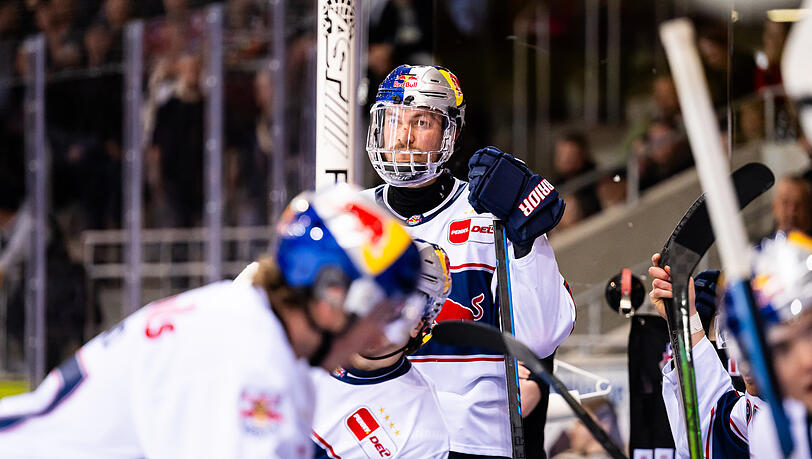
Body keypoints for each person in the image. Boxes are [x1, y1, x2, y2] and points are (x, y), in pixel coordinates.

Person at [0, 184, 423, 458]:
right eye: (381, 315)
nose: (381, 334)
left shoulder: (250, 328)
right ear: (333, 298)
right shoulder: (250, 357)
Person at [364, 64, 577, 458]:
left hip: (473, 441)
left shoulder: (489, 212)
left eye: (422, 121)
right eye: (392, 120)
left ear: (451, 133)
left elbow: (542, 337)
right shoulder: (354, 216)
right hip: (376, 437)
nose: (404, 137)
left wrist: (527, 241)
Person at [311, 239, 453, 459]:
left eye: (399, 309)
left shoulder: (424, 430)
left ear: (419, 324)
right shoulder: (309, 337)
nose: (378, 316)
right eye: (375, 296)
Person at [648, 253, 766, 459]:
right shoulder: (756, 413)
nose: (746, 359)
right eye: (736, 338)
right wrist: (685, 316)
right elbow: (708, 426)